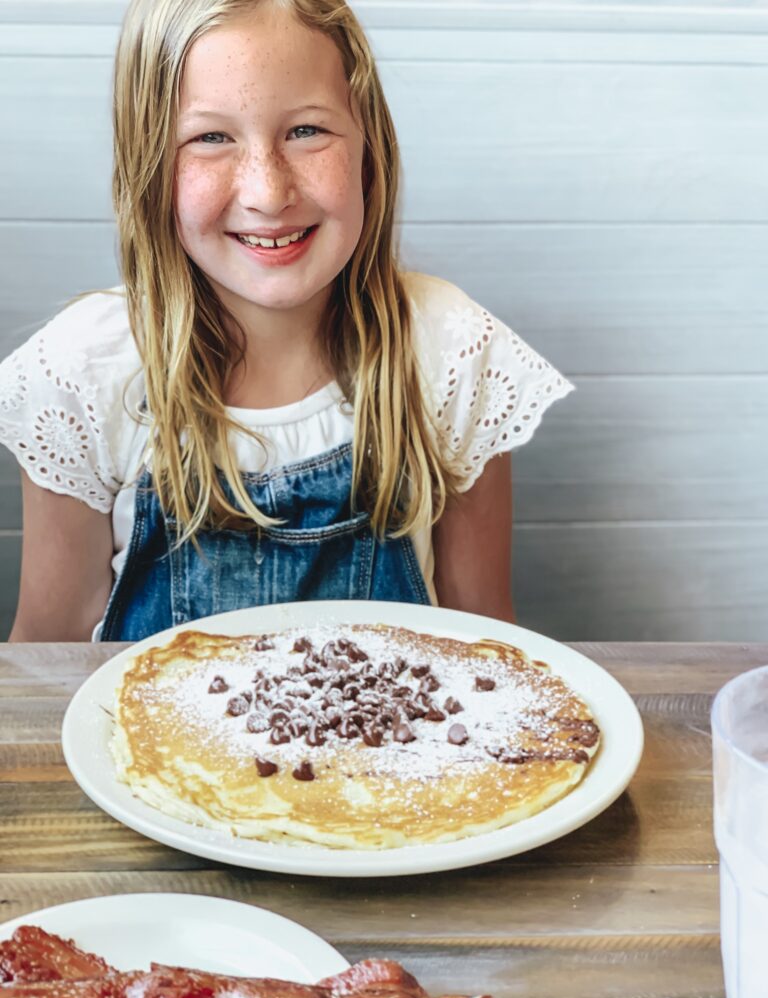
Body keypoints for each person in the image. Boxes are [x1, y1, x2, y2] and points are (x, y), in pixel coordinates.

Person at [0, 0, 573, 643]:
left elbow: (488, 649)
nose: (268, 193)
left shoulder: (451, 355)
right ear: (149, 164)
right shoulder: (83, 374)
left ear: (368, 147)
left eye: (306, 131)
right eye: (210, 138)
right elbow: (47, 669)